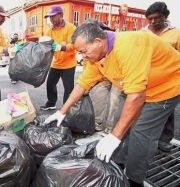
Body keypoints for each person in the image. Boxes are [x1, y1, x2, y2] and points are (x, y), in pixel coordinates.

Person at [45, 22, 180, 186]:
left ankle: (134, 180)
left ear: (98, 41)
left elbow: (137, 96)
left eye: (84, 51)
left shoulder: (129, 46)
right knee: (119, 125)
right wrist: (62, 111)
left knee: (141, 134)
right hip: (132, 86)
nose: (82, 57)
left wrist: (115, 137)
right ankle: (116, 165)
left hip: (164, 88)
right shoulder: (97, 57)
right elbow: (82, 84)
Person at [143, 2, 180, 152]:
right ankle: (145, 138)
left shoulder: (176, 33)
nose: (152, 22)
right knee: (145, 111)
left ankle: (164, 139)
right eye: (149, 19)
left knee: (166, 111)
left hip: (169, 81)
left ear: (165, 17)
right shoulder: (143, 33)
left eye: (156, 18)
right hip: (147, 79)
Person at [83, 20, 122, 135]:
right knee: (99, 95)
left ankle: (111, 127)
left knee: (115, 99)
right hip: (103, 75)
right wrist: (87, 84)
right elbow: (88, 65)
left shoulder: (114, 41)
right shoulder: (88, 44)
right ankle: (97, 122)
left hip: (118, 75)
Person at [40, 5, 76, 111]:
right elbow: (43, 45)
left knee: (68, 88)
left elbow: (75, 44)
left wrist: (62, 47)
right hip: (56, 63)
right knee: (50, 84)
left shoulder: (70, 28)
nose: (51, 19)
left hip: (69, 64)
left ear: (60, 15)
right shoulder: (49, 31)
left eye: (53, 16)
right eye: (49, 17)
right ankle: (51, 103)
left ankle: (66, 108)